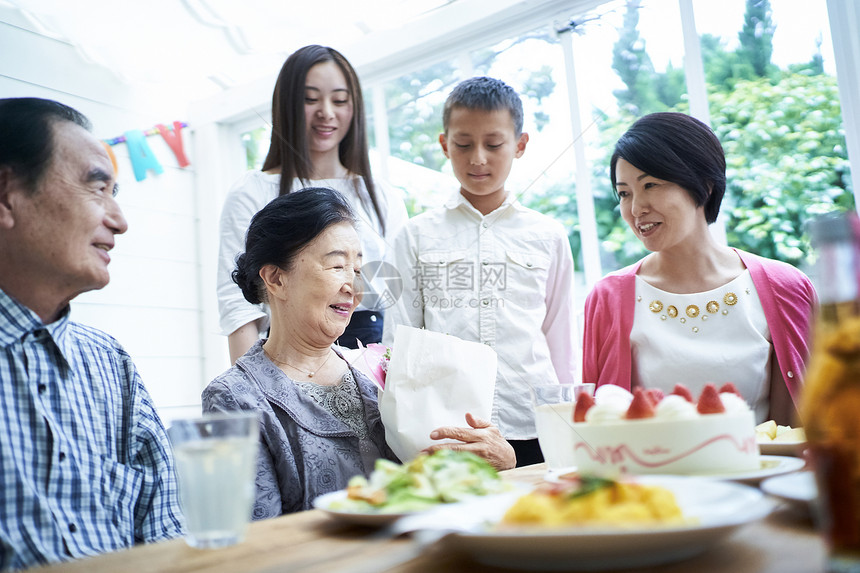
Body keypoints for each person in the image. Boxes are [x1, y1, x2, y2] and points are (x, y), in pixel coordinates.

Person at [203, 188, 514, 517]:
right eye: (337, 265)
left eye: (358, 270)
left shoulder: (382, 372)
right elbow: (255, 542)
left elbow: (444, 492)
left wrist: (500, 462)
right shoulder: (234, 400)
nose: (354, 287)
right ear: (276, 278)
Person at [0, 98, 185, 570]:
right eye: (96, 187)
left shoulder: (110, 363)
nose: (120, 221)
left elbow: (165, 533)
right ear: (5, 195)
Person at [382, 77, 577, 467]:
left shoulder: (548, 235)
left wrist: (568, 430)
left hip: (533, 426)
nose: (478, 159)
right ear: (444, 144)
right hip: (445, 431)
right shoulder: (415, 235)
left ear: (520, 145)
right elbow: (398, 342)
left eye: (494, 144)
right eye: (464, 144)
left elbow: (562, 344)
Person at [582, 112, 816, 425]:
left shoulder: (785, 287)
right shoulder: (607, 297)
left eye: (650, 184)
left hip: (758, 472)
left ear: (704, 186)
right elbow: (594, 427)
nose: (636, 208)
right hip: (649, 475)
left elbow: (803, 426)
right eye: (624, 193)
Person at [218, 44, 409, 363]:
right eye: (310, 99)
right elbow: (237, 307)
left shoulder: (382, 195)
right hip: (283, 363)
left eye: (339, 100)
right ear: (287, 105)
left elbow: (403, 300)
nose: (326, 112)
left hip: (371, 362)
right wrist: (251, 395)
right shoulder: (252, 191)